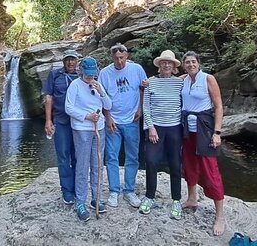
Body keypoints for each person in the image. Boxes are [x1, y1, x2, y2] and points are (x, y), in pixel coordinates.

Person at [180, 51, 226, 236]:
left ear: (198, 63)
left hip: (205, 128)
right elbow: (164, 80)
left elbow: (218, 106)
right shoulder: (183, 79)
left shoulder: (208, 79)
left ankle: (220, 215)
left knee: (210, 169)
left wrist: (217, 133)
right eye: (187, 62)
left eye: (193, 62)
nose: (191, 64)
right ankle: (192, 199)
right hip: (187, 129)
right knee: (189, 165)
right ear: (183, 65)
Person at [99, 43, 147, 208]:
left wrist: (140, 108)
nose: (119, 61)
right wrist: (108, 118)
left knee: (132, 156)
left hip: (132, 120)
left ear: (127, 55)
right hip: (113, 121)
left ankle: (129, 191)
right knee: (111, 156)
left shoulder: (137, 69)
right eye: (116, 58)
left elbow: (143, 89)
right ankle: (114, 191)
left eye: (122, 57)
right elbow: (101, 97)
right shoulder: (105, 73)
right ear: (112, 58)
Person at [65, 56, 112, 222]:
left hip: (99, 128)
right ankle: (81, 202)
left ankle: (96, 198)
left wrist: (101, 91)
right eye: (88, 74)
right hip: (82, 130)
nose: (90, 77)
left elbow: (108, 106)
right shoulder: (75, 85)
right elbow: (68, 107)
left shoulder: (98, 84)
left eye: (93, 74)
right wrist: (86, 116)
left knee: (98, 164)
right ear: (81, 72)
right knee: (82, 165)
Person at [139, 50, 184, 220]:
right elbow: (146, 107)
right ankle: (150, 196)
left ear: (174, 66)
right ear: (159, 65)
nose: (166, 65)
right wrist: (150, 128)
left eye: (169, 63)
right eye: (164, 62)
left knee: (175, 163)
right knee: (151, 161)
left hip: (174, 128)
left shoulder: (179, 83)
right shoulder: (150, 82)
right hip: (155, 128)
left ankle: (176, 200)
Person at [42, 49, 80, 205]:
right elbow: (49, 97)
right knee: (63, 156)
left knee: (78, 156)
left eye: (73, 59)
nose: (70, 62)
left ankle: (79, 187)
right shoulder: (54, 74)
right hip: (61, 121)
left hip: (79, 122)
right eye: (67, 59)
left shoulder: (81, 75)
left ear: (77, 61)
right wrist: (48, 120)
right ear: (63, 61)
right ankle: (67, 191)